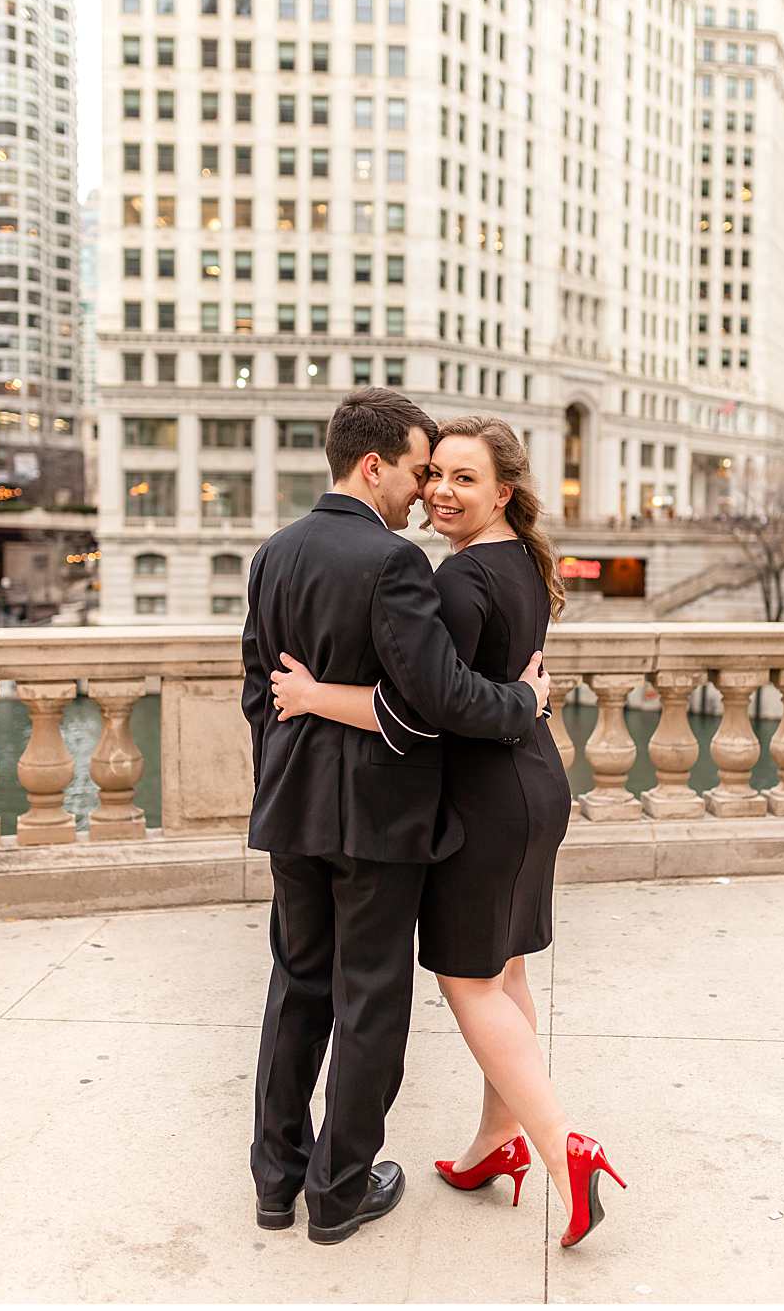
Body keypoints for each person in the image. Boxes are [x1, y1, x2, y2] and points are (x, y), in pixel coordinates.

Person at [269, 415, 625, 1249]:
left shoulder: (456, 581)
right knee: (504, 973)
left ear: (503, 492)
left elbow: (423, 709)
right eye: (435, 476)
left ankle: (561, 1144)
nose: (440, 492)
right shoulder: (523, 564)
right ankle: (490, 1149)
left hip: (485, 801)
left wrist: (317, 697)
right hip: (534, 786)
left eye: (464, 478)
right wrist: (529, 703)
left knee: (469, 987)